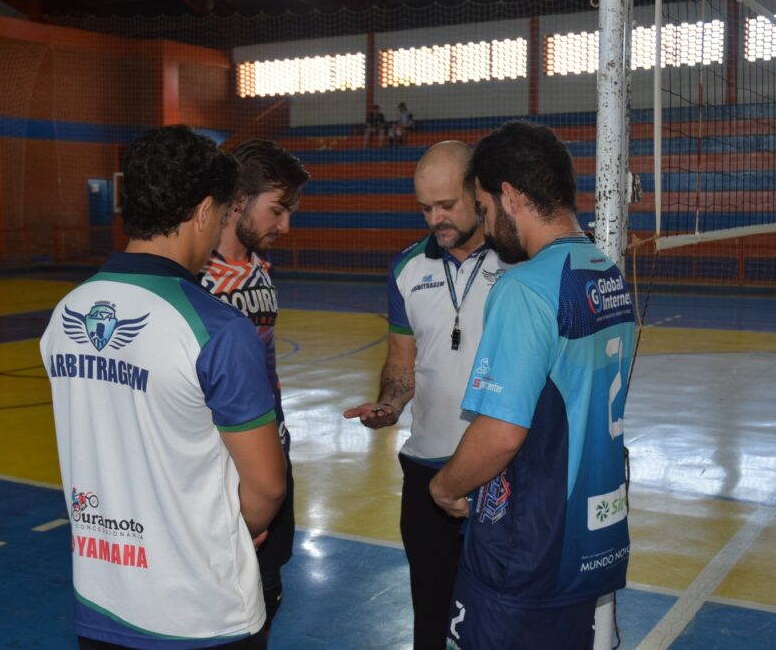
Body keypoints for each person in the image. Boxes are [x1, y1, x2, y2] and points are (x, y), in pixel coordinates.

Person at [40, 125, 286, 650]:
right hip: (201, 611)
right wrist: (228, 530)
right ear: (202, 212)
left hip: (103, 600)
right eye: (221, 215)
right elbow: (266, 486)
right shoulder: (214, 328)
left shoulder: (65, 315)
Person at [429, 121, 637, 649]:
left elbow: (501, 433)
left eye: (484, 205)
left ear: (512, 197)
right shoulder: (605, 271)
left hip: (529, 550)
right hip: (596, 535)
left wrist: (446, 487)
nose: (484, 220)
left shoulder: (525, 288)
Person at [343, 140, 512, 650]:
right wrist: (390, 405)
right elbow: (401, 363)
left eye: (446, 205)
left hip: (501, 471)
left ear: (478, 192)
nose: (434, 218)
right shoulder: (406, 269)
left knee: (503, 621)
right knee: (430, 622)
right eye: (425, 207)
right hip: (427, 472)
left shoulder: (520, 262)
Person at [198, 138, 309, 638]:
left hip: (268, 449)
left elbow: (265, 368)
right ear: (238, 201)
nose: (285, 226)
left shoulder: (261, 268)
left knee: (267, 591)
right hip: (220, 468)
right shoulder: (195, 280)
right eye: (278, 211)